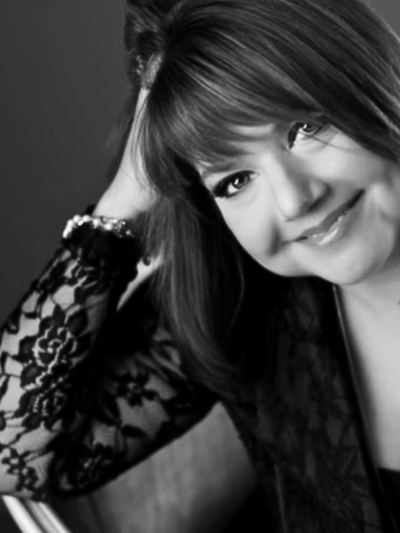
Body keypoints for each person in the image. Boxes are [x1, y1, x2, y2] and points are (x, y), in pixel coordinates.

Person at [1, 0, 400, 530]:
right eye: (234, 180)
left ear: (370, 76)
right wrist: (122, 202)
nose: (293, 200)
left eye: (305, 127)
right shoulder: (241, 306)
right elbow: (10, 452)